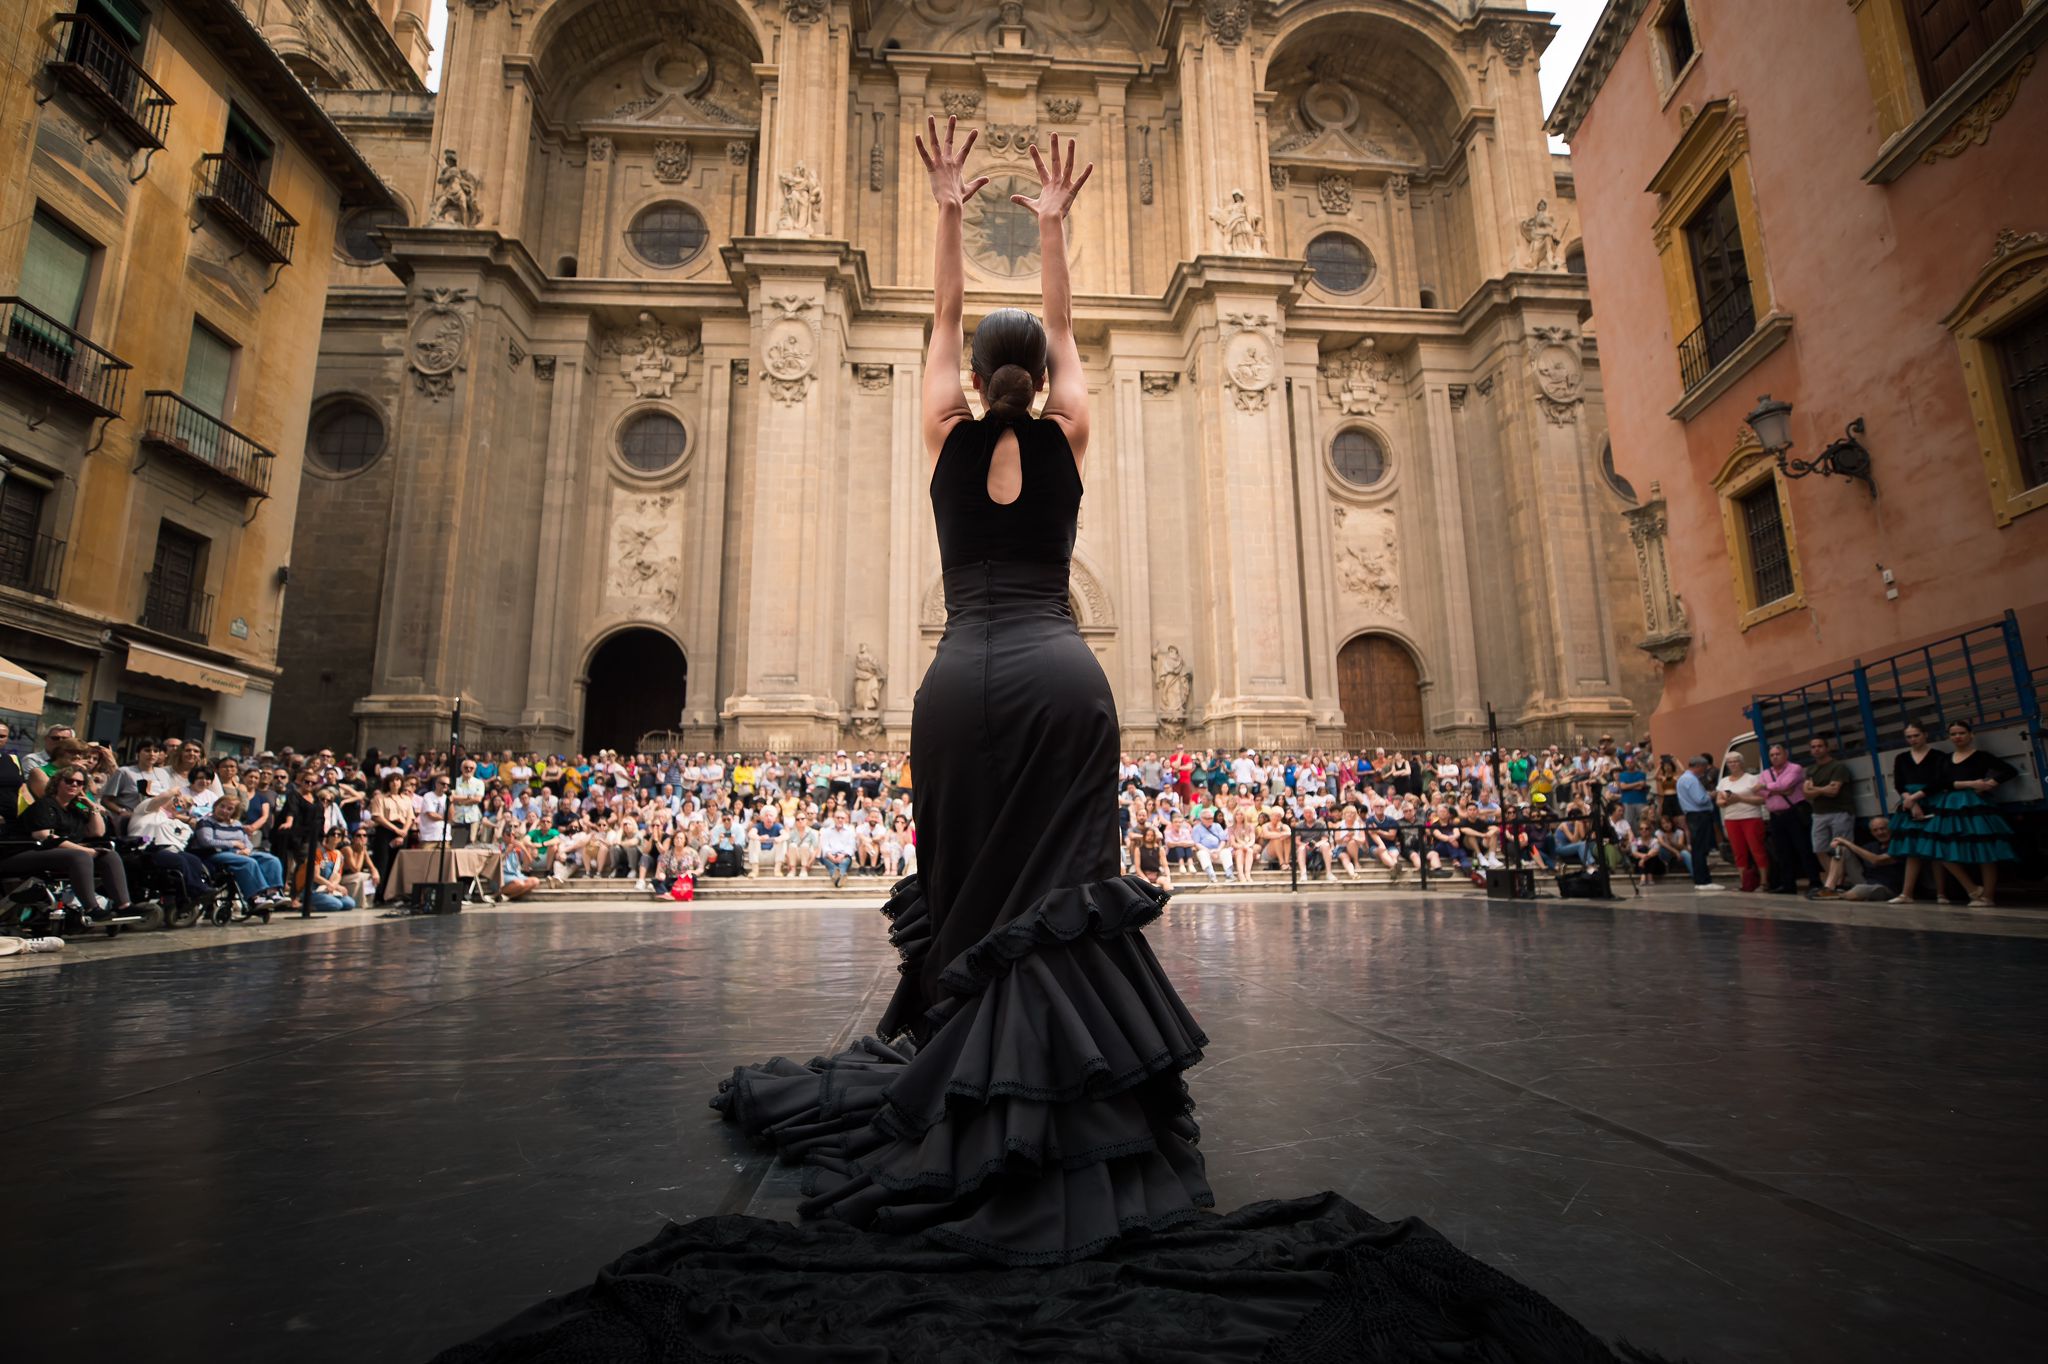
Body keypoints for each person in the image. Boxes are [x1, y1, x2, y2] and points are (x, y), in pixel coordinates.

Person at [3, 764, 156, 923]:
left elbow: (97, 832)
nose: (74, 785)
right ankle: (92, 909)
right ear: (57, 783)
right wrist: (85, 851)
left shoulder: (74, 810)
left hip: (57, 854)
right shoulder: (44, 805)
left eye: (79, 783)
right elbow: (43, 837)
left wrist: (92, 807)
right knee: (80, 856)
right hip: (20, 853)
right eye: (69, 781)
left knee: (108, 855)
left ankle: (124, 906)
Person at [1889, 719, 2016, 907]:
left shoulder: (1980, 756)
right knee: (1940, 848)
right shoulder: (1946, 759)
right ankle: (1973, 889)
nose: (1957, 737)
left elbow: (2009, 771)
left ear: (1971, 735)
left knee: (1985, 850)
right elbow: (1940, 783)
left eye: (1961, 733)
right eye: (1953, 734)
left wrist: (1991, 783)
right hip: (1950, 805)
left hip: (1974, 805)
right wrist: (1913, 798)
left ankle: (1987, 896)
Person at [1803, 735, 1858, 897]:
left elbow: (1834, 791)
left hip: (1840, 812)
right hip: (1819, 813)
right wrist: (1823, 789)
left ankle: (1836, 884)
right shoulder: (1811, 770)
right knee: (1819, 848)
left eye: (1820, 746)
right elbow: (1806, 794)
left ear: (1827, 748)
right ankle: (1833, 880)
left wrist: (1815, 789)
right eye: (1813, 747)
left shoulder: (1838, 767)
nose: (1816, 749)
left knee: (1839, 849)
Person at [1757, 743, 1811, 892]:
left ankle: (1814, 882)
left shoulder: (1795, 768)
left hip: (1793, 813)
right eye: (1772, 755)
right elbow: (1759, 791)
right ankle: (1788, 885)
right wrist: (1778, 789)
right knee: (1782, 851)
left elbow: (1785, 784)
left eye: (1778, 754)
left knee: (1803, 848)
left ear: (1785, 755)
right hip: (1776, 816)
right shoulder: (1766, 773)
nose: (1775, 757)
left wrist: (1768, 787)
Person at [1715, 753, 1769, 893]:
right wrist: (1727, 801)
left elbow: (1762, 800)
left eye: (1736, 761)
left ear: (1742, 763)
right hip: (1731, 819)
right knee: (1738, 852)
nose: (1733, 764)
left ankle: (1764, 882)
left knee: (1757, 849)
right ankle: (1745, 883)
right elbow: (1719, 801)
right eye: (1730, 762)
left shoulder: (1752, 778)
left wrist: (1740, 799)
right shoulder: (1724, 781)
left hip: (1751, 817)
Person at [1825, 816, 1907, 901]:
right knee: (1842, 849)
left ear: (1890, 828)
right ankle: (1828, 888)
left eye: (1883, 828)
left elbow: (1876, 860)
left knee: (1858, 891)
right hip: (1866, 882)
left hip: (1887, 887)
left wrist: (1846, 842)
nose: (1880, 832)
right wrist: (1840, 844)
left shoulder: (1899, 845)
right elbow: (1847, 858)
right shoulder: (1871, 846)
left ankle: (1841, 894)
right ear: (1871, 833)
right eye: (1875, 830)